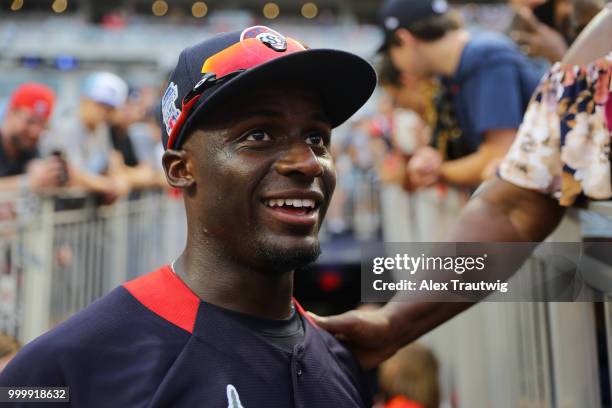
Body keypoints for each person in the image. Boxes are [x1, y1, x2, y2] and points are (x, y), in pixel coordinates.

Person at [0, 26, 377, 407]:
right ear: (181, 169)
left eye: (316, 137)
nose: (307, 162)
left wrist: (401, 320)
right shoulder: (70, 367)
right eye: (259, 135)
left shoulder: (343, 362)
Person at [311, 5, 611, 369]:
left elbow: (497, 163)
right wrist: (394, 323)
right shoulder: (593, 57)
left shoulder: (488, 57)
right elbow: (514, 206)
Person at [379, 0, 542, 188]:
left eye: (391, 51)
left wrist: (439, 171)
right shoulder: (453, 74)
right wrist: (431, 157)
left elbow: (498, 158)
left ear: (404, 39)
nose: (395, 61)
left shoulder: (486, 58)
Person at [43, 71, 130, 200]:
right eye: (100, 105)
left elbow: (109, 162)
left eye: (110, 108)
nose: (104, 112)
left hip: (79, 207)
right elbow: (71, 174)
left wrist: (119, 178)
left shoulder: (101, 129)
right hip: (55, 208)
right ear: (85, 99)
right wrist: (108, 185)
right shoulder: (67, 126)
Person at [0, 83, 65, 192]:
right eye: (30, 121)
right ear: (11, 112)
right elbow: (31, 182)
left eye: (43, 125)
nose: (35, 132)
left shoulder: (28, 148)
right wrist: (27, 182)